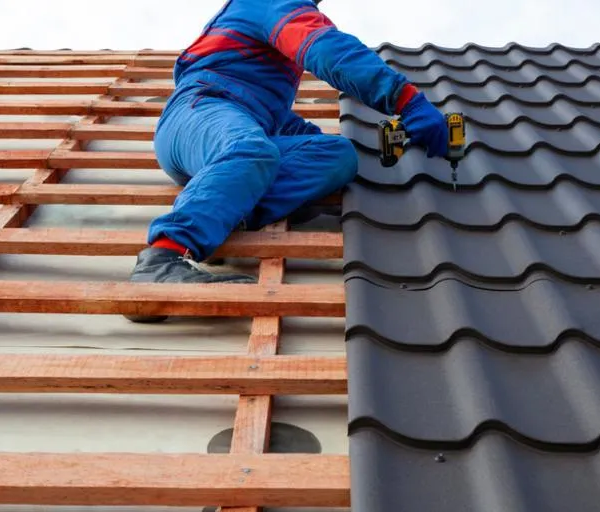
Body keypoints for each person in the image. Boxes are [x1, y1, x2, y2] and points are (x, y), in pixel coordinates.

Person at [127, 0, 449, 322]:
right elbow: (327, 50)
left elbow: (279, 121)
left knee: (337, 155)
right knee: (251, 150)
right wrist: (406, 99)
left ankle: (228, 210)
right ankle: (162, 258)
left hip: (246, 120)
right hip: (200, 110)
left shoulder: (266, 65)